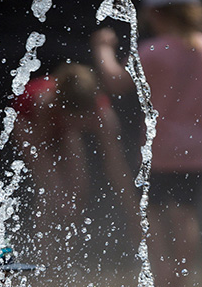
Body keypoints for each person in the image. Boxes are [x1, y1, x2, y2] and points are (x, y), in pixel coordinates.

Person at [91, 0, 202, 287]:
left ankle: (162, 278)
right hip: (199, 148)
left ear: (153, 13)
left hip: (159, 150)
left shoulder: (152, 51)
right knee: (185, 215)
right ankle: (180, 286)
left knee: (152, 214)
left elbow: (116, 81)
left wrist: (102, 48)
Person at [12, 62, 133, 233]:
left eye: (83, 117)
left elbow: (116, 163)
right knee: (49, 193)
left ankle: (68, 244)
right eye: (76, 117)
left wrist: (134, 211)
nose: (82, 121)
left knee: (77, 192)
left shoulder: (100, 112)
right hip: (28, 120)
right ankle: (42, 244)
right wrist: (58, 193)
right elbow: (43, 158)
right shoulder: (44, 104)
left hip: (64, 125)